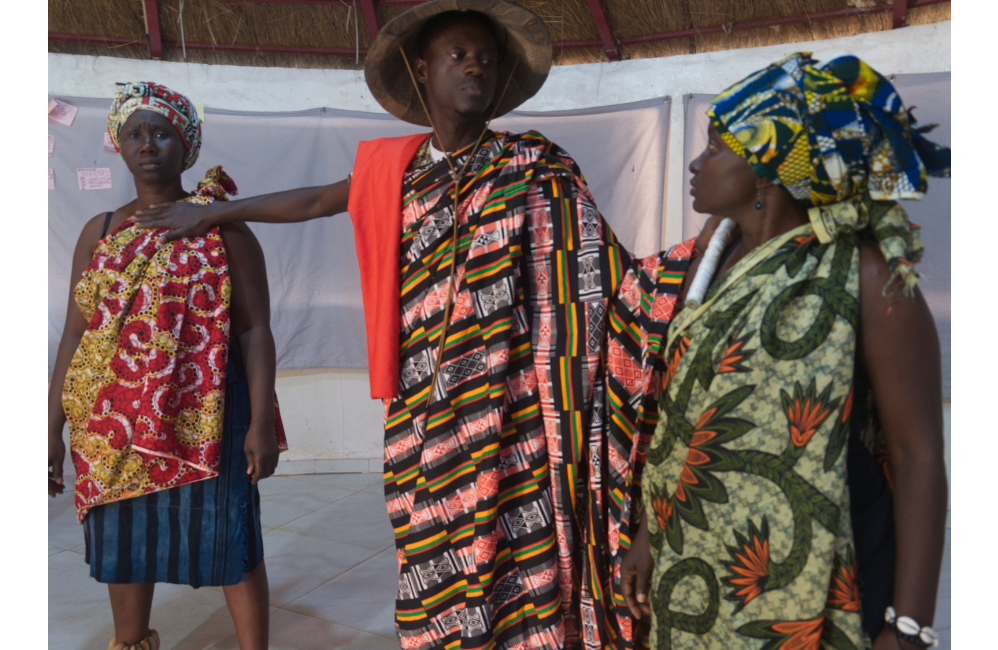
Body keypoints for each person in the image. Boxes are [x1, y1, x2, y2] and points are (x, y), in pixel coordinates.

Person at [129, 3, 696, 648]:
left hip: (513, 405)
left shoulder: (537, 165)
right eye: (459, 55)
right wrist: (214, 213)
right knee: (430, 540)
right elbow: (314, 200)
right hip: (420, 399)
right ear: (422, 69)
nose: (475, 66)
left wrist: (690, 270)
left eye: (486, 58)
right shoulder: (392, 168)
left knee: (520, 537)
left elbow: (602, 279)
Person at [619, 53, 949, 649]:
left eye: (716, 148)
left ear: (767, 168)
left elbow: (917, 454)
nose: (696, 163)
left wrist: (909, 626)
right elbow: (686, 417)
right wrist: (649, 533)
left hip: (816, 582)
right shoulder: (710, 265)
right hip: (697, 573)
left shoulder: (866, 277)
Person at [47, 82, 287, 650]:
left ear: (187, 147)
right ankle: (132, 643)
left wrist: (260, 423)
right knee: (123, 536)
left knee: (230, 534)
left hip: (207, 415)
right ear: (119, 145)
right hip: (111, 424)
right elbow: (76, 333)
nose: (147, 144)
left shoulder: (223, 227)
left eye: (161, 133)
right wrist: (52, 425)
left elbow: (254, 330)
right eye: (134, 134)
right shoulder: (100, 232)